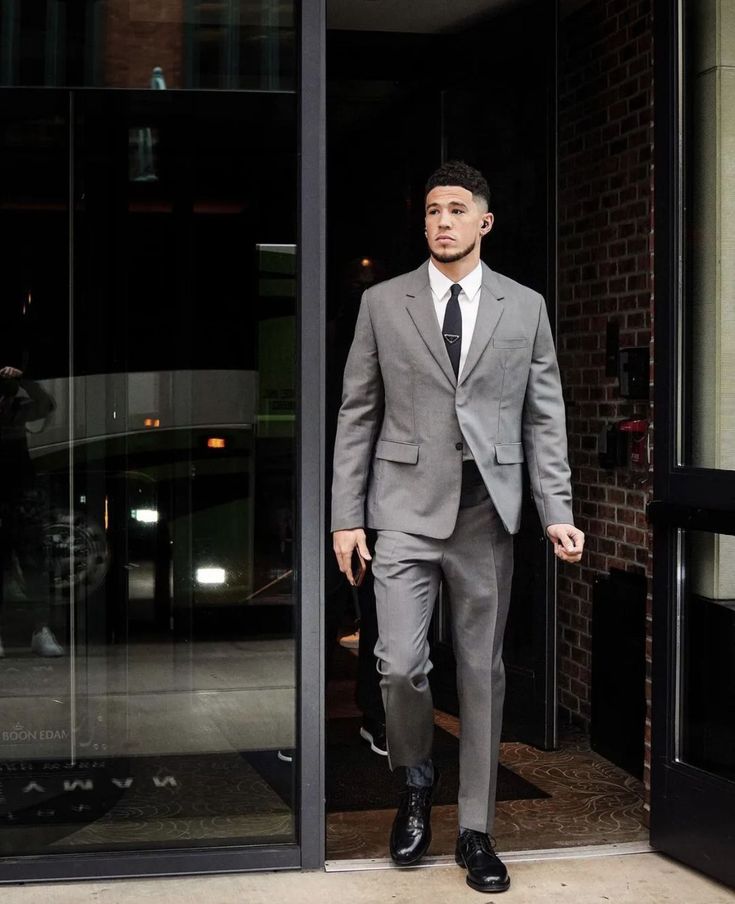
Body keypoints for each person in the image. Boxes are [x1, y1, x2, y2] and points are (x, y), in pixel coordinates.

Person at [331, 161, 584, 894]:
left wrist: (556, 509)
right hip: (403, 509)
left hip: (486, 514)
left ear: (483, 222)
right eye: (431, 211)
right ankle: (413, 782)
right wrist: (348, 516)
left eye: (454, 210)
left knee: (481, 674)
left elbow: (544, 417)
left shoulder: (523, 305)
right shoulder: (383, 302)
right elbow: (357, 412)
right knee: (399, 664)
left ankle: (476, 830)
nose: (441, 221)